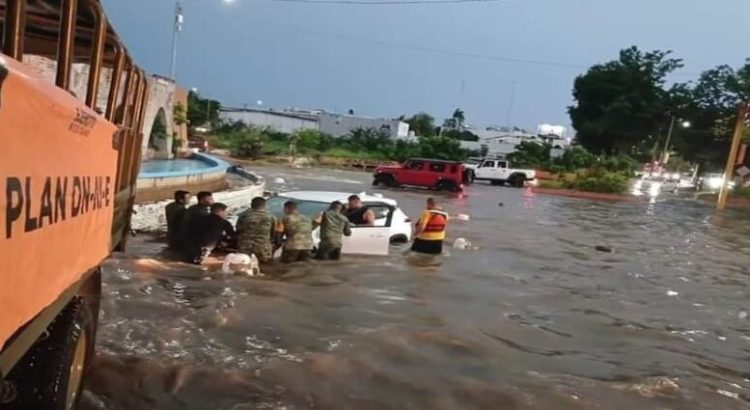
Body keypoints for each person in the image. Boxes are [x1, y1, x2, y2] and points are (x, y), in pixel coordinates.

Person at [236, 196, 278, 264]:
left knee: (243, 265)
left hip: (245, 246)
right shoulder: (271, 217)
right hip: (263, 247)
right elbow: (273, 233)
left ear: (251, 205)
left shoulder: (244, 216)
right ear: (264, 205)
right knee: (266, 266)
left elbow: (238, 230)